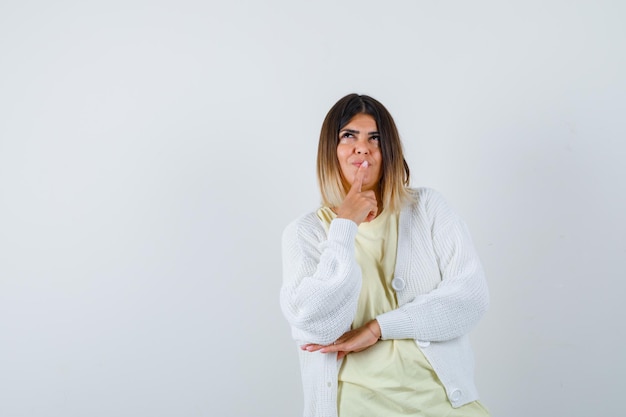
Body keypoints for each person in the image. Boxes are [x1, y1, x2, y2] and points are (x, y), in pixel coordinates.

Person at [280, 93, 490, 417]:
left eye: (374, 138)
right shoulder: (306, 233)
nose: (362, 147)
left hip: (444, 404)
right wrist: (344, 226)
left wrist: (379, 327)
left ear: (388, 151)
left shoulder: (428, 208)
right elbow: (317, 326)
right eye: (348, 135)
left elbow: (470, 299)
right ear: (330, 151)